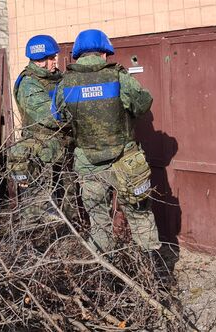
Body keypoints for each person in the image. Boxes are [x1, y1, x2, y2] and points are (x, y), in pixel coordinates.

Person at [55, 29, 161, 253]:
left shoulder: (65, 84)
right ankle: (152, 276)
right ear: (105, 53)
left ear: (78, 54)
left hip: (88, 163)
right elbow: (143, 103)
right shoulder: (119, 77)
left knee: (99, 221)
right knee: (139, 214)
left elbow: (59, 118)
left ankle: (105, 274)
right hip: (125, 160)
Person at [9, 35, 75, 220]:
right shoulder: (29, 84)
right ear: (39, 60)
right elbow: (50, 117)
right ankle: (36, 245)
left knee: (68, 203)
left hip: (62, 151)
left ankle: (69, 241)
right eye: (51, 58)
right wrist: (77, 114)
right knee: (39, 209)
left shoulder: (58, 78)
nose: (55, 61)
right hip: (40, 154)